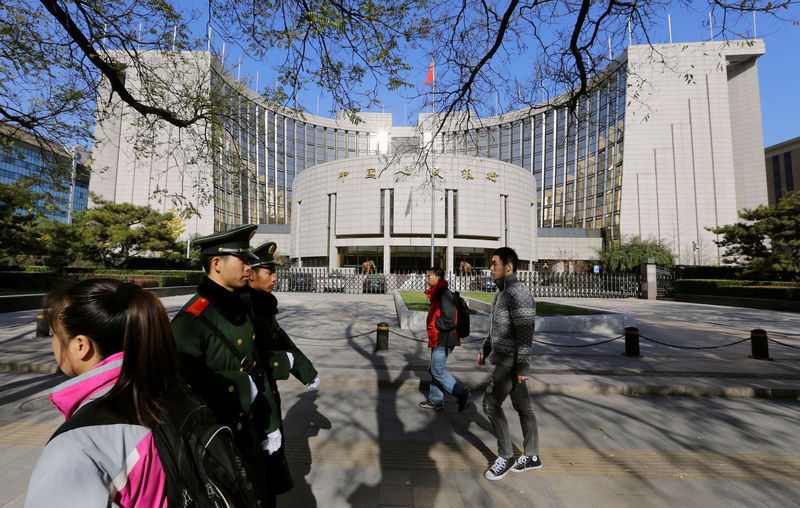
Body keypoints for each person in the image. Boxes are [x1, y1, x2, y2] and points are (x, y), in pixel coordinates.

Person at [25, 279, 178, 506]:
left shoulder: (76, 449)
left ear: (80, 346)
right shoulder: (169, 391)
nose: (54, 343)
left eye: (56, 334)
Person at [171, 224, 281, 506]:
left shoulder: (240, 309)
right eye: (242, 260)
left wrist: (270, 424)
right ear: (216, 264)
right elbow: (180, 390)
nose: (249, 267)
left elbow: (258, 369)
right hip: (216, 441)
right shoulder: (191, 320)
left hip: (249, 432)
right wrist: (238, 386)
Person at [244, 241, 320, 496]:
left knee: (269, 470)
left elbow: (280, 337)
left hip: (266, 398)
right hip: (248, 403)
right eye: (270, 272)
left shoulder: (263, 305)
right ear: (251, 274)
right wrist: (283, 363)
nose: (275, 278)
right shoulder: (243, 308)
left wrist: (305, 370)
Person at [478, 247, 542, 480]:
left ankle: (505, 457)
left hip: (511, 362)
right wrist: (486, 348)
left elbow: (525, 333)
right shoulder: (501, 293)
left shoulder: (518, 293)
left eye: (495, 263)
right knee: (523, 407)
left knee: (489, 405)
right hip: (504, 357)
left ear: (509, 267)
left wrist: (523, 366)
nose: (491, 268)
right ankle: (532, 456)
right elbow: (498, 328)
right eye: (491, 263)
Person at [418, 266, 471, 412]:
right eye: (427, 276)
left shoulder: (443, 294)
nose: (427, 279)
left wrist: (435, 322)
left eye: (430, 276)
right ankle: (436, 400)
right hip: (439, 337)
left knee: (436, 370)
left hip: (445, 338)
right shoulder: (438, 293)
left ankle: (462, 392)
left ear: (438, 278)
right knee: (434, 369)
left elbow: (450, 320)